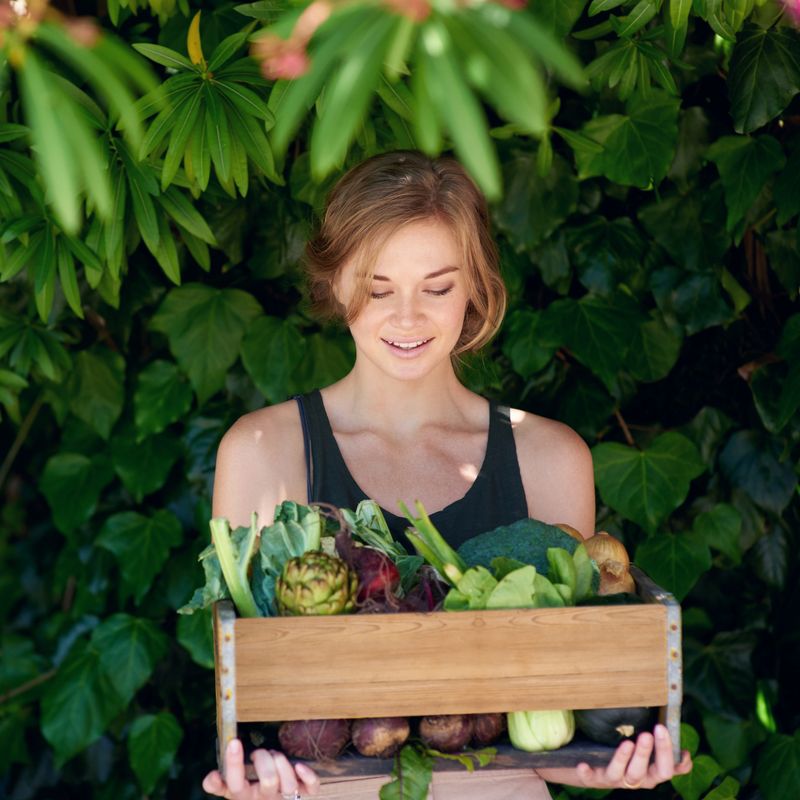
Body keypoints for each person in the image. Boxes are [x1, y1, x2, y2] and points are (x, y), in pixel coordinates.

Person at [202, 150, 693, 799]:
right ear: (336, 282)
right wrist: (252, 772)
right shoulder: (263, 452)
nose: (407, 316)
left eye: (437, 287)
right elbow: (249, 708)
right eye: (378, 288)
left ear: (476, 288)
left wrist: (606, 766)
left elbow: (549, 729)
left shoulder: (549, 458)